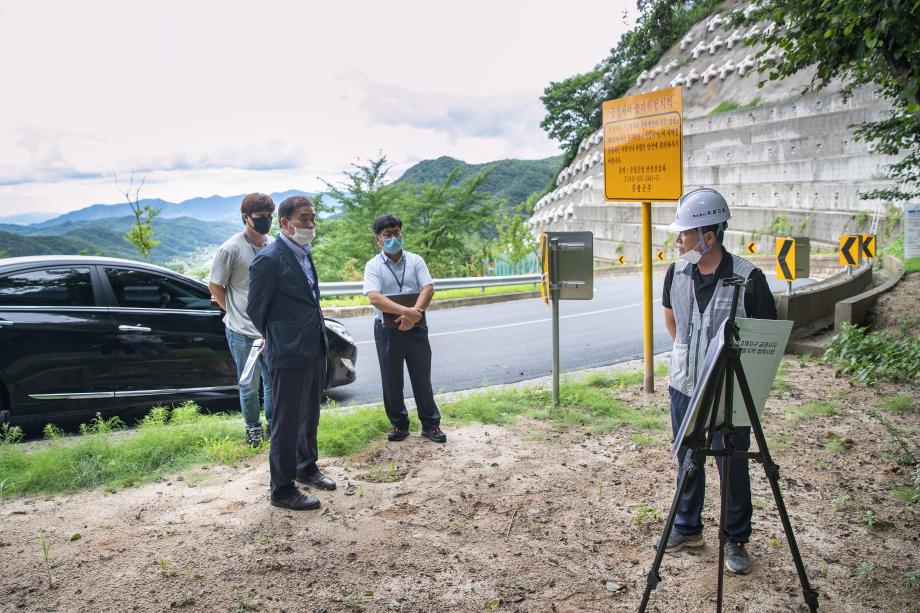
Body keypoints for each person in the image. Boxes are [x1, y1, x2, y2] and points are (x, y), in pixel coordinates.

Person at [660, 188, 777, 575]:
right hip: (684, 385)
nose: (678, 239)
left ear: (708, 236)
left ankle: (736, 540)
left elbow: (765, 342)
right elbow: (673, 322)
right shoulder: (676, 271)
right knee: (688, 458)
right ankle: (687, 528)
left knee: (733, 465)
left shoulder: (749, 279)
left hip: (729, 393)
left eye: (685, 233)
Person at [247, 196, 336, 511]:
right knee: (286, 421)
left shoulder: (304, 253)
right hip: (288, 351)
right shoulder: (270, 259)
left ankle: (306, 466)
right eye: (303, 219)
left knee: (310, 412)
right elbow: (256, 310)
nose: (310, 225)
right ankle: (282, 488)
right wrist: (282, 336)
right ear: (284, 223)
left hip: (313, 347)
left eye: (312, 218)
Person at [363, 214, 446, 444]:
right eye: (387, 235)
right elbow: (375, 298)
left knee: (422, 375)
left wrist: (414, 313)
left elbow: (427, 288)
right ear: (378, 239)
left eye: (396, 233)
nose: (393, 238)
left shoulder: (416, 260)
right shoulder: (373, 265)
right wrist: (406, 312)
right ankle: (399, 425)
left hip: (417, 326)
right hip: (386, 329)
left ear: (402, 233)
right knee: (391, 379)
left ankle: (431, 424)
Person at [208, 193, 275, 447]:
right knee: (248, 384)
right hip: (241, 332)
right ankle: (253, 428)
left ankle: (273, 426)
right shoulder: (230, 249)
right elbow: (215, 285)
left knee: (272, 383)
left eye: (270, 217)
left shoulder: (272, 245)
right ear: (246, 218)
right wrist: (231, 311)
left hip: (268, 329)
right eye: (260, 218)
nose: (266, 221)